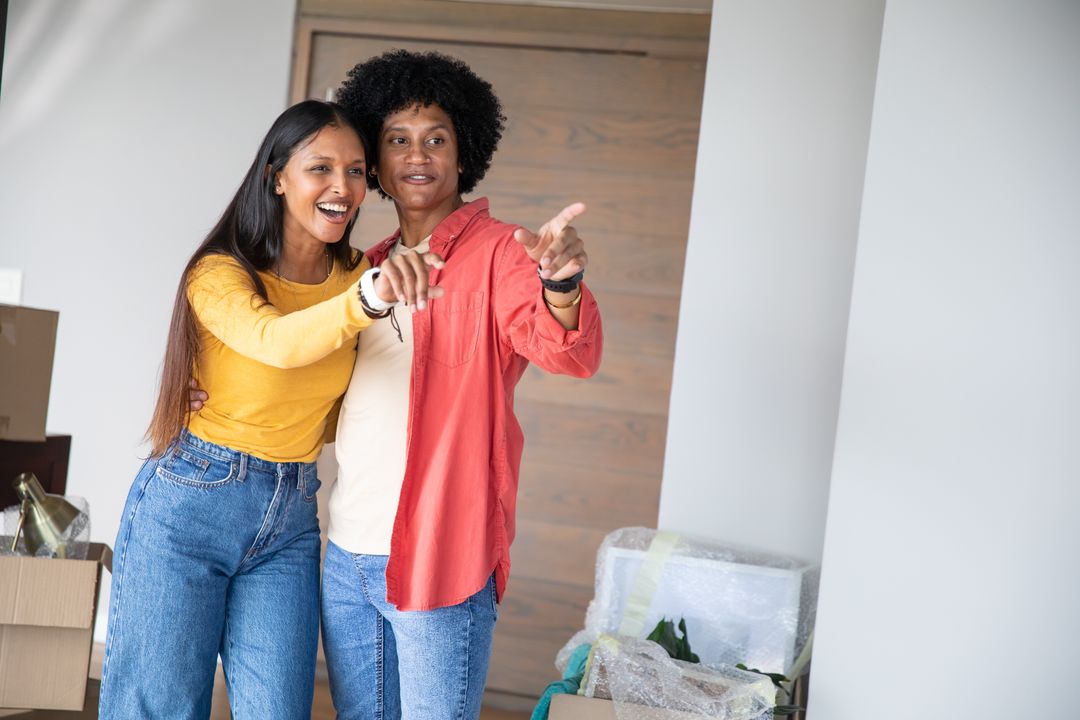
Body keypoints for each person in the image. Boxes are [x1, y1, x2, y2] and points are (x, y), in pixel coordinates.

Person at [98, 100, 443, 720]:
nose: (343, 187)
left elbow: (350, 401)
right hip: (189, 506)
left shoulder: (358, 276)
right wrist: (369, 297)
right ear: (277, 176)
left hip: (290, 516)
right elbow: (275, 344)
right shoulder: (221, 273)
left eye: (358, 171)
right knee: (159, 709)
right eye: (321, 169)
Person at [319, 50, 604, 719]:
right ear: (375, 161)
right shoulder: (366, 268)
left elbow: (565, 350)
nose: (418, 155)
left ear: (464, 150)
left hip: (441, 557)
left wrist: (560, 282)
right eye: (397, 140)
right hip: (347, 555)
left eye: (436, 138)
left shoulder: (505, 252)